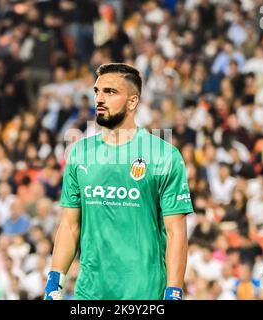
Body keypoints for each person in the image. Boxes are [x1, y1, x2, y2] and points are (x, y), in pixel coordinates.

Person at [44, 63, 193, 300]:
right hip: (90, 293)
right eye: (97, 91)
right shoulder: (79, 153)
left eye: (110, 92)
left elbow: (176, 232)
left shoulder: (163, 155)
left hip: (144, 293)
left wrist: (173, 291)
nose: (99, 99)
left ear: (132, 102)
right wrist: (54, 281)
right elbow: (70, 225)